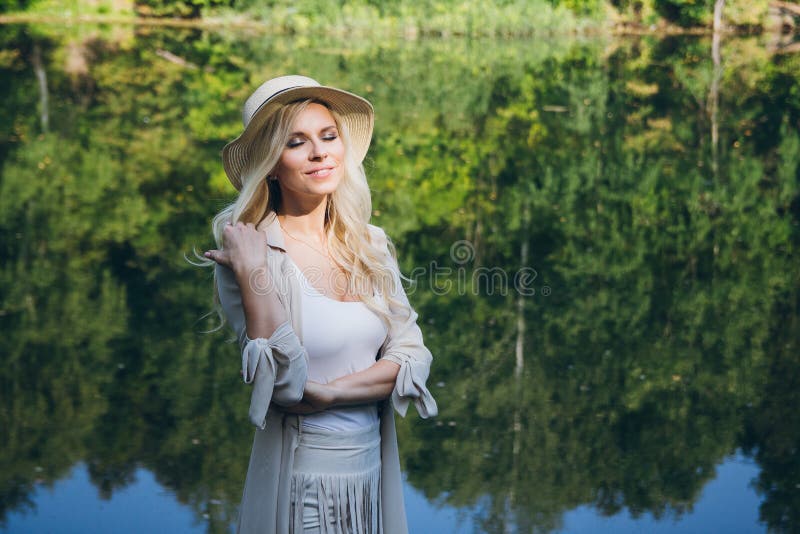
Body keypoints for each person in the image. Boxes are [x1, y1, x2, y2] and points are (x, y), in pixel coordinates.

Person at [203, 75, 438, 534]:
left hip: (371, 480)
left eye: (328, 137)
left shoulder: (370, 244)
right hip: (302, 485)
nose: (320, 152)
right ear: (271, 164)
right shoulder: (253, 253)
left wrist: (332, 393)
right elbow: (283, 383)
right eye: (297, 142)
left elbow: (412, 356)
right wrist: (253, 275)